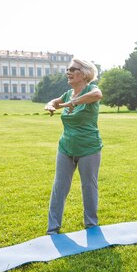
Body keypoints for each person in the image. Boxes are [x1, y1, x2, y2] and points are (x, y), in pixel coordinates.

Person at [44, 58, 103, 235]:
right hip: (66, 147)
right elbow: (55, 101)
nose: (67, 72)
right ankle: (52, 229)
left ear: (83, 73)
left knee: (89, 186)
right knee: (59, 187)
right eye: (67, 69)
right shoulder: (68, 93)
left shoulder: (91, 90)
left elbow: (98, 95)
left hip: (89, 148)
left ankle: (91, 225)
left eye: (72, 69)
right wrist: (50, 105)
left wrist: (73, 103)